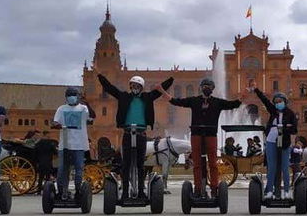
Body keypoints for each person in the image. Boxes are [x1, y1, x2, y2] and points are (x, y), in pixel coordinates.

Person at [160, 77, 242, 197]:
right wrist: (162, 91)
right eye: (204, 86)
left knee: (213, 164)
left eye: (208, 86)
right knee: (197, 164)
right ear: (201, 88)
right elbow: (176, 101)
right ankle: (198, 189)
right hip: (196, 134)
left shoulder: (217, 102)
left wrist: (246, 92)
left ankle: (214, 189)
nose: (206, 88)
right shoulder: (194, 101)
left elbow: (234, 104)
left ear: (212, 88)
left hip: (211, 135)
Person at [98, 72, 174, 200]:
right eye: (133, 85)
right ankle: (125, 193)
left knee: (140, 164)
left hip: (141, 133)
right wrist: (100, 76)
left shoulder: (147, 97)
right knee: (126, 164)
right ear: (130, 86)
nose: (135, 88)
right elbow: (110, 88)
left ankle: (140, 192)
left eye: (137, 86)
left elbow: (160, 90)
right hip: (127, 133)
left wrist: (171, 79)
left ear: (141, 87)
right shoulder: (124, 96)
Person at [252, 88, 298, 199]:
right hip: (271, 141)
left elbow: (294, 129)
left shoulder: (290, 114)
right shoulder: (273, 111)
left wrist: (284, 129)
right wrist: (256, 90)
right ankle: (269, 191)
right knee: (271, 167)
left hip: (285, 142)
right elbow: (265, 101)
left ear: (285, 102)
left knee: (285, 167)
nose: (278, 104)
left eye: (280, 101)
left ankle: (287, 191)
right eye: (276, 102)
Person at [51, 87, 95, 199]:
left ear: (78, 97)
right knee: (62, 169)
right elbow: (55, 122)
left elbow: (92, 116)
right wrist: (57, 125)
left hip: (79, 144)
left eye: (74, 95)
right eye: (69, 95)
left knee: (79, 168)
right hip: (64, 144)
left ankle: (78, 190)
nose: (72, 97)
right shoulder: (61, 109)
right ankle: (62, 191)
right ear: (66, 97)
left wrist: (86, 102)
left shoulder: (83, 108)